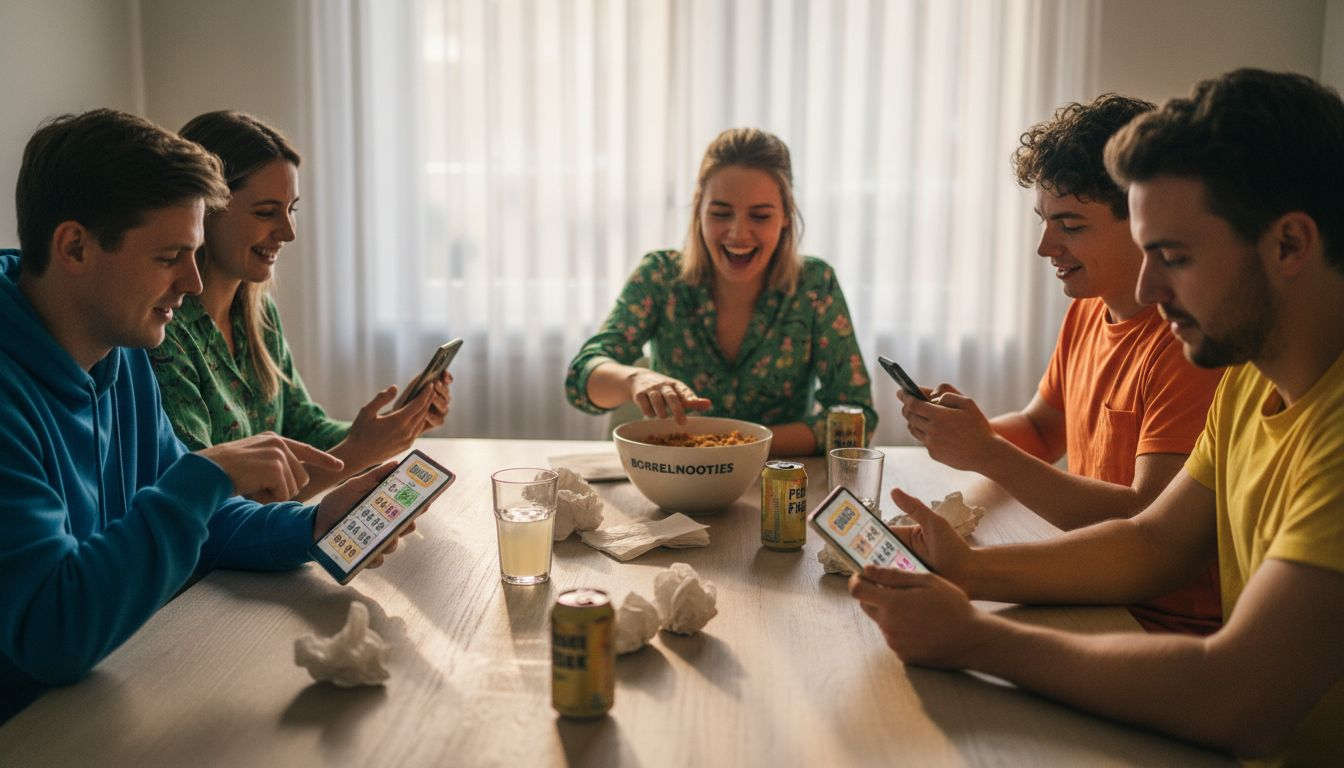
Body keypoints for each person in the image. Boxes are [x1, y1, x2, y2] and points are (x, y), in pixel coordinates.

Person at [851, 69, 1344, 765]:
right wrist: (967, 570)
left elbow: (1241, 698)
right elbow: (1153, 542)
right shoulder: (1245, 382)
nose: (1147, 285)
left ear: (1289, 246)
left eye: (1173, 256)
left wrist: (976, 638)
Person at [0, 110, 415, 722]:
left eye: (194, 254)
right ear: (75, 247)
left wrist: (314, 525)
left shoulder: (121, 351)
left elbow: (202, 520)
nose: (193, 283)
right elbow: (54, 635)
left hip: (105, 690)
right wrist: (203, 477)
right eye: (170, 256)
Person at [895, 94, 1225, 634]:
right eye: (1044, 222)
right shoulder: (1088, 311)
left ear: (1144, 222)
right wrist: (963, 433)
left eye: (1070, 226)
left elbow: (1149, 522)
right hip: (1092, 585)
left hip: (1159, 620)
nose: (1045, 247)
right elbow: (1042, 429)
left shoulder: (1188, 346)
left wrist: (987, 453)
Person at [149, 111, 450, 501]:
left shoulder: (259, 318)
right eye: (265, 212)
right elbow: (208, 505)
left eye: (291, 209)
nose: (288, 232)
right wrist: (358, 452)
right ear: (203, 210)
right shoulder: (163, 333)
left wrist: (391, 426)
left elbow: (304, 428)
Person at [564, 127, 875, 455]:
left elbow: (857, 419)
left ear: (786, 216)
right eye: (721, 213)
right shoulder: (660, 275)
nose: (738, 233)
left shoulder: (815, 284)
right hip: (676, 479)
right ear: (698, 210)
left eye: (760, 216)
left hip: (778, 480)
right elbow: (580, 380)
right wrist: (634, 380)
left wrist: (741, 444)